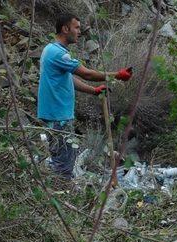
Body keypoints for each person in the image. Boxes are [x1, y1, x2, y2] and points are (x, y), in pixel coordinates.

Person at [37, 13, 133, 179]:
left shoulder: (50, 50)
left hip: (55, 114)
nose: (79, 32)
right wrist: (117, 75)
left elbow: (69, 79)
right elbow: (87, 74)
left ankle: (54, 191)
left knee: (60, 159)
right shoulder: (59, 54)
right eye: (76, 27)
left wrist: (93, 90)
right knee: (64, 167)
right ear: (65, 29)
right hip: (59, 116)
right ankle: (60, 195)